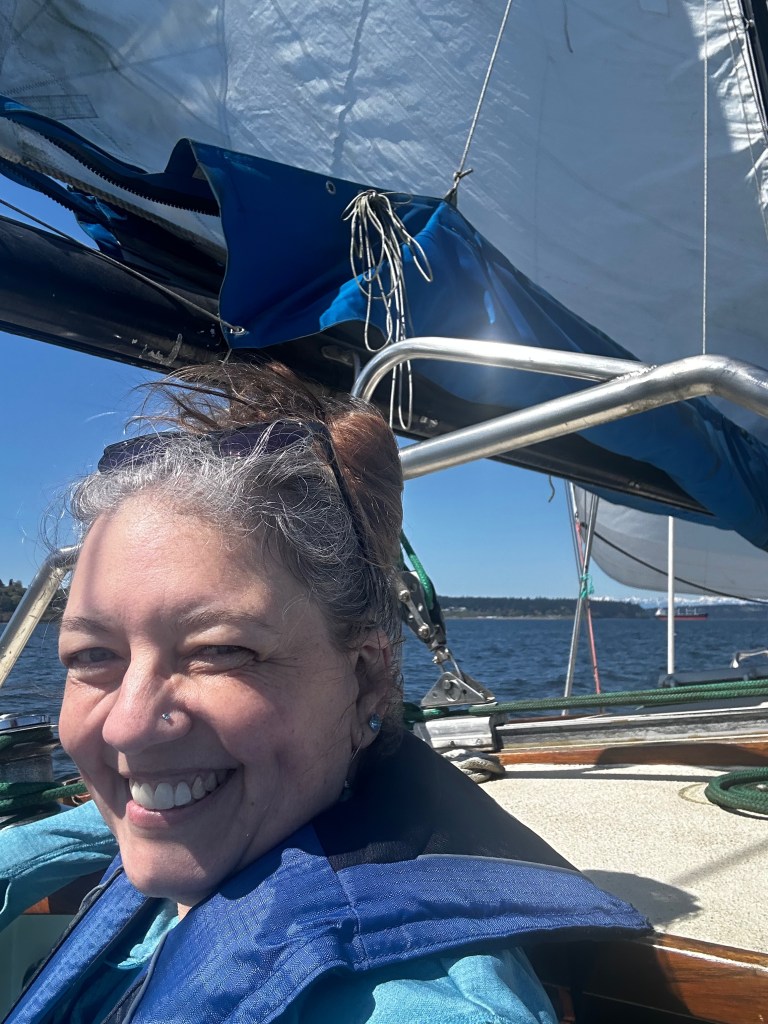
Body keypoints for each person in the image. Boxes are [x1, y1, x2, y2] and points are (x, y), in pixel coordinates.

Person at [4, 361, 647, 1024]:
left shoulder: (413, 1006)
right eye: (92, 656)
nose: (126, 728)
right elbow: (112, 818)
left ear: (367, 678)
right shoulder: (216, 811)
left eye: (219, 651)